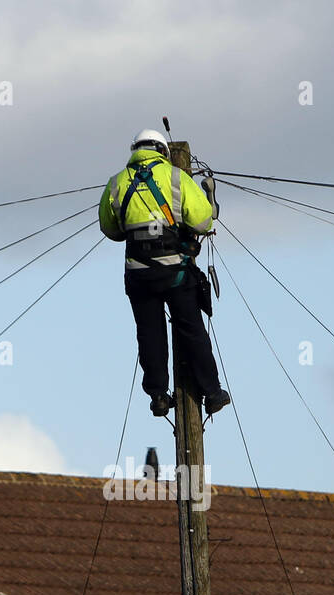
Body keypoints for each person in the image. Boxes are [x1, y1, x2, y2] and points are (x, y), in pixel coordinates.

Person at [99, 128, 231, 418]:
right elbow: (201, 221)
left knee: (149, 333)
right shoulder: (175, 177)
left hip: (138, 275)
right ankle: (212, 392)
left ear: (135, 151)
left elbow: (110, 229)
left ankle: (158, 395)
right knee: (191, 328)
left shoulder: (117, 183)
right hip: (176, 272)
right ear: (163, 151)